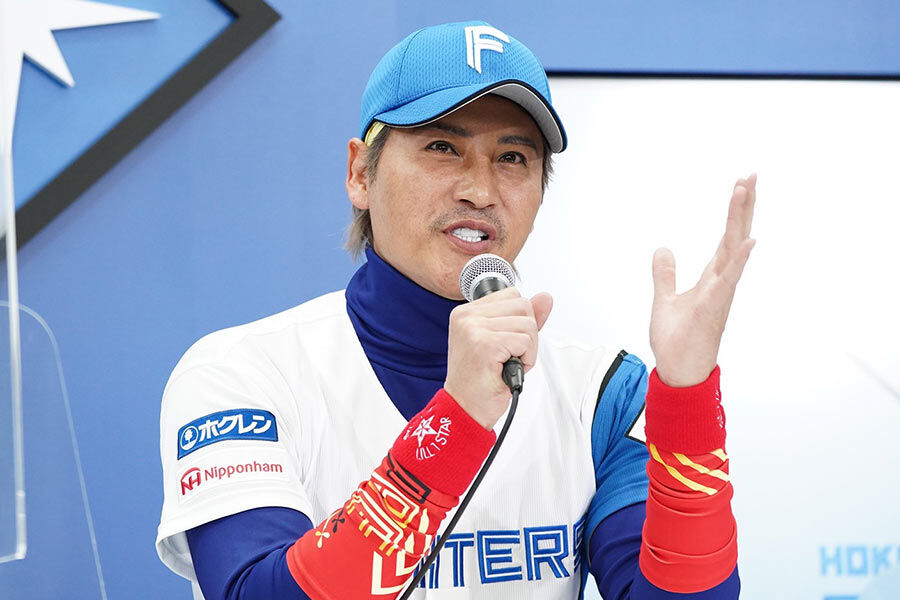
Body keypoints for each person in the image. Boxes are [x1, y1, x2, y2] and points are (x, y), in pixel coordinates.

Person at [156, 20, 755, 600]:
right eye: (442, 148)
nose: (480, 190)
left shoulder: (600, 390)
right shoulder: (242, 374)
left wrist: (687, 398)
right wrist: (458, 419)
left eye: (513, 158)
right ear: (360, 174)